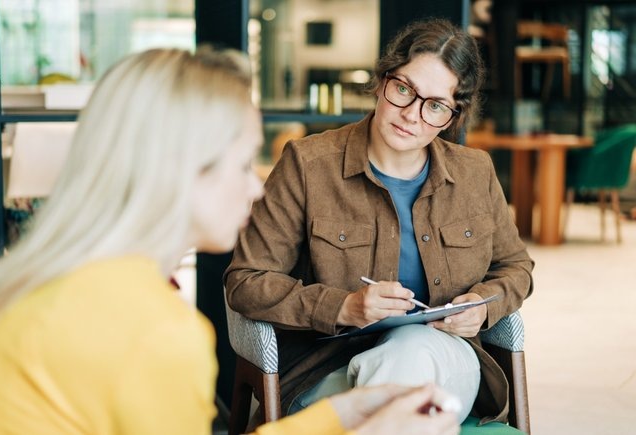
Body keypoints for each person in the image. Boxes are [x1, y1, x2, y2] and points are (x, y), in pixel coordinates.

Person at [0, 46, 460, 435]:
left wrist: (340, 416)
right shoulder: (160, 335)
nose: (255, 188)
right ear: (178, 171)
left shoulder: (53, 283)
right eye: (241, 165)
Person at [225, 18, 534, 427]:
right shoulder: (308, 165)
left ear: (454, 116)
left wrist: (481, 308)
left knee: (411, 351)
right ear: (382, 80)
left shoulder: (475, 173)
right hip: (326, 372)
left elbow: (517, 269)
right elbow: (246, 281)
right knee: (405, 396)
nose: (411, 115)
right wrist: (344, 306)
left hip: (444, 360)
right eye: (404, 90)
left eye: (435, 105)